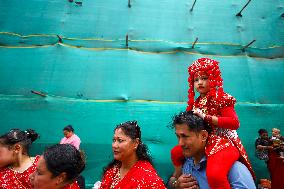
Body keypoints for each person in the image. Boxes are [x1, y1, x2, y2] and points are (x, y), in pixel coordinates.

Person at [171, 58, 254, 189]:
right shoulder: (197, 102)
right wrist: (174, 182)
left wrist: (206, 117)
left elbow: (234, 123)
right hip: (204, 141)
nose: (200, 83)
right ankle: (180, 177)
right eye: (196, 80)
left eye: (204, 78)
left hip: (223, 142)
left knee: (215, 174)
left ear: (213, 78)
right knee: (175, 152)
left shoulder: (221, 98)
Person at [170, 111, 256, 189]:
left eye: (185, 136)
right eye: (178, 136)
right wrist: (176, 185)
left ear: (203, 136)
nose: (180, 143)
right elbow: (172, 180)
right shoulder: (187, 163)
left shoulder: (235, 170)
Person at [99, 121, 166, 189]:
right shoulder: (112, 171)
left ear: (136, 143)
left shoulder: (149, 179)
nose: (114, 145)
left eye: (120, 140)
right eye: (114, 140)